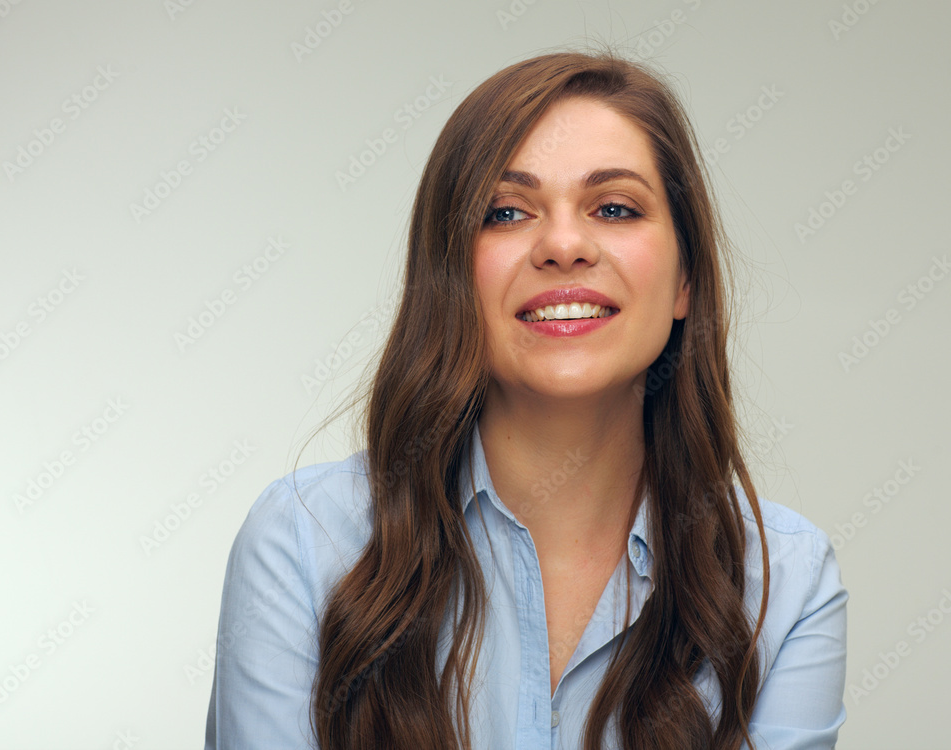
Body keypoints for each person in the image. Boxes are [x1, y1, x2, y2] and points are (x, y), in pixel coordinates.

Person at [204, 50, 847, 750]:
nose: (564, 245)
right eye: (506, 212)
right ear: (450, 275)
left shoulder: (787, 585)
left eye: (614, 208)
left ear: (685, 280)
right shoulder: (301, 544)